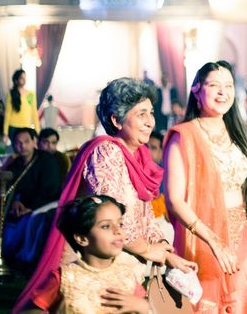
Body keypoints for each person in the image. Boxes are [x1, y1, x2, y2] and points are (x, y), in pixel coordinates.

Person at [14, 78, 194, 314]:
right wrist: (150, 251)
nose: (150, 121)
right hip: (94, 264)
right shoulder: (106, 152)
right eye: (141, 114)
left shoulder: (139, 155)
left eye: (150, 112)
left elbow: (145, 215)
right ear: (115, 120)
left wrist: (165, 251)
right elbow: (113, 214)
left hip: (124, 264)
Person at [164, 61, 247, 313]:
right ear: (196, 89)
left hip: (243, 236)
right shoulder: (184, 136)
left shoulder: (235, 132)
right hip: (204, 237)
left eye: (228, 86)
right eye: (214, 85)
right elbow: (174, 200)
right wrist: (214, 241)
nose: (223, 92)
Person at [44, 195, 153, 314]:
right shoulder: (64, 278)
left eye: (120, 224)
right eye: (106, 226)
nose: (118, 231)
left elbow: (145, 308)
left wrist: (143, 306)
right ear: (82, 238)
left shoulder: (127, 274)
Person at [0, 128, 61, 263]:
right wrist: (14, 202)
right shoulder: (15, 163)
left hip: (41, 204)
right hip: (15, 205)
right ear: (13, 145)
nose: (22, 146)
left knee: (27, 219)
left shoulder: (46, 160)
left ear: (33, 142)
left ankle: (14, 257)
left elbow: (50, 189)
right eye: (18, 143)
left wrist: (30, 207)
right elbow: (6, 188)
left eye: (26, 141)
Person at [4, 69, 39, 144]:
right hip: (13, 126)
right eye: (21, 78)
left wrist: (37, 130)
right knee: (17, 148)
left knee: (25, 147)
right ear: (16, 80)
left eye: (25, 78)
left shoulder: (30, 94)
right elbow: (7, 113)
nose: (24, 80)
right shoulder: (11, 94)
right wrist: (5, 132)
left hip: (26, 126)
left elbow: (34, 113)